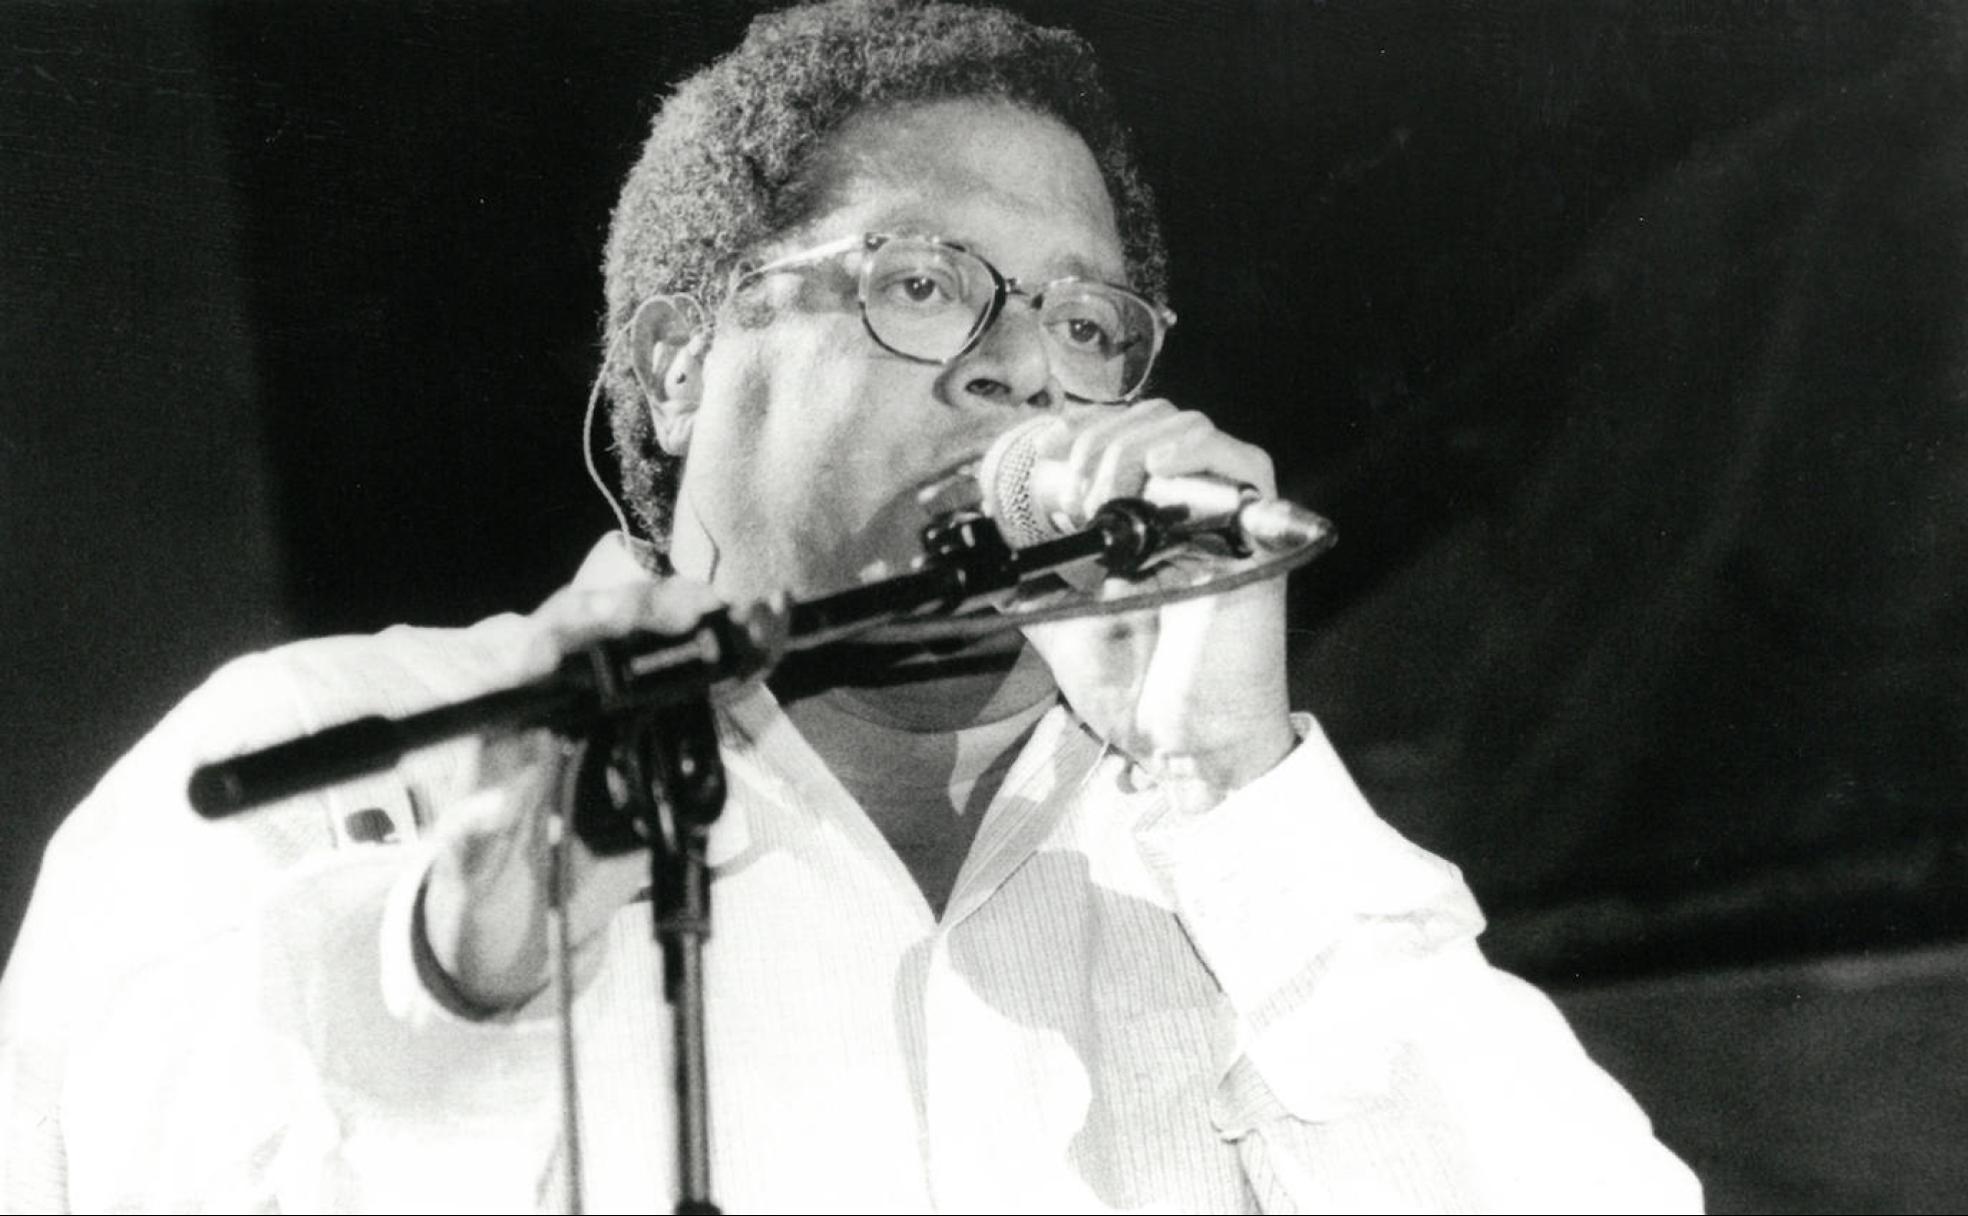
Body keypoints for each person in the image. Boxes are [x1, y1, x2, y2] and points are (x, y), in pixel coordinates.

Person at [0, 1, 1702, 1210]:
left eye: (1088, 323)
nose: (1028, 369)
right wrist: (448, 990)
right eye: (922, 284)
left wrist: (1242, 797)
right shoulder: (328, 762)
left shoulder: (1234, 863)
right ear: (678, 360)